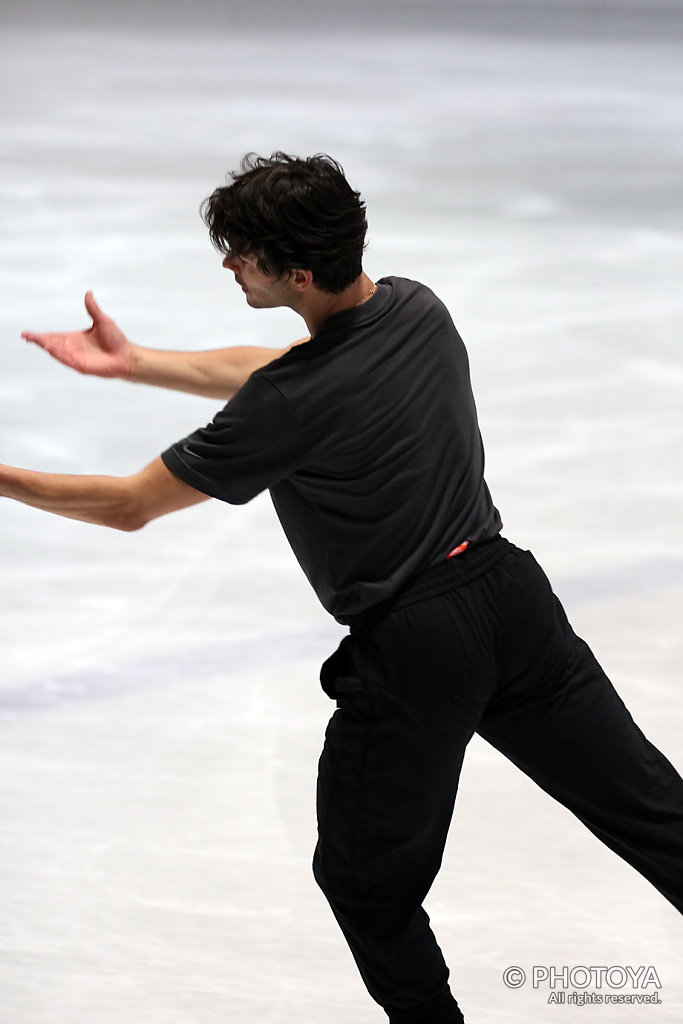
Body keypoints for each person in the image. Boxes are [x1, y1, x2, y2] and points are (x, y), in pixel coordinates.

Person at [5, 152, 683, 1024]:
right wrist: (136, 363)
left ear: (294, 271)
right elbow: (286, 364)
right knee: (652, 812)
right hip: (513, 601)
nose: (227, 265)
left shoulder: (283, 406)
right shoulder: (414, 306)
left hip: (416, 646)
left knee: (365, 883)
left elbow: (132, 505)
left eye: (240, 253)